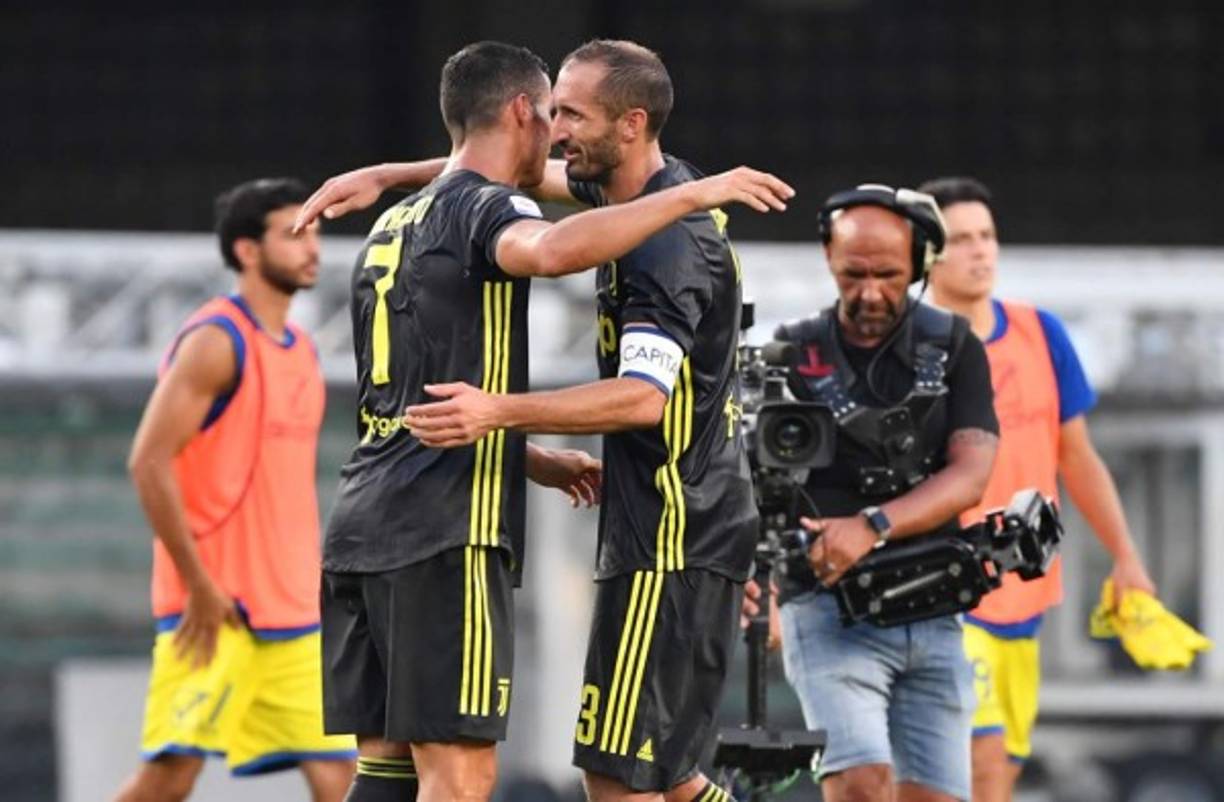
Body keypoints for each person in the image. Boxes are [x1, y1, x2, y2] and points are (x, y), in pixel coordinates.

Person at [316, 41, 793, 802]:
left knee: (618, 779)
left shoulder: (663, 239)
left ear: (631, 125)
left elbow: (644, 399)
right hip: (477, 528)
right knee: (630, 777)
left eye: (573, 114)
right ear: (519, 114)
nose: (559, 132)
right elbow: (524, 206)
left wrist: (501, 417)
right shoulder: (623, 206)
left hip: (674, 529)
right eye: (552, 112)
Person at [753, 185, 1000, 802]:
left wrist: (872, 524)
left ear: (919, 265)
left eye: (887, 275)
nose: (868, 293)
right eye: (851, 274)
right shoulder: (790, 351)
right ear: (828, 261)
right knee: (862, 785)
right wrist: (759, 582)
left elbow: (971, 475)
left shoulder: (956, 347)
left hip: (933, 606)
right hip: (828, 608)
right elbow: (754, 481)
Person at [114, 178, 357, 802]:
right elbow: (148, 462)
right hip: (215, 612)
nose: (313, 249)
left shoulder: (302, 351)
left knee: (345, 781)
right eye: (294, 234)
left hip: (295, 618)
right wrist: (197, 582)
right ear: (248, 251)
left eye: (317, 233)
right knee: (169, 778)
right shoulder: (217, 342)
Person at [918, 176, 1157, 802]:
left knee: (1002, 773)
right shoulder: (911, 349)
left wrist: (1127, 558)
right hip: (946, 594)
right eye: (962, 240)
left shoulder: (1040, 334)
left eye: (988, 237)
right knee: (982, 764)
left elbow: (1077, 459)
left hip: (1025, 592)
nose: (980, 251)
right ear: (927, 254)